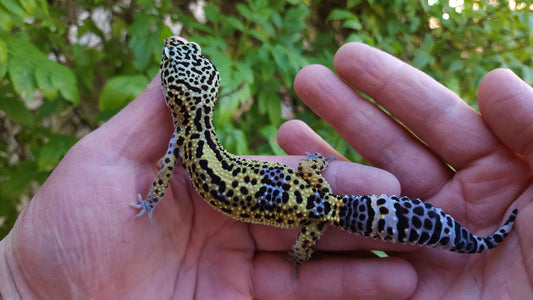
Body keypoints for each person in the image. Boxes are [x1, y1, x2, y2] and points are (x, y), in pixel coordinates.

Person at [0, 40, 531, 299]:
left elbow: (162, 180)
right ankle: (477, 240)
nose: (172, 52)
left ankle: (479, 240)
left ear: (180, 96)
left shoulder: (186, 140)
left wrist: (149, 202)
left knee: (349, 220)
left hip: (312, 208)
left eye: (177, 59)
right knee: (358, 209)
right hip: (314, 198)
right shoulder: (196, 136)